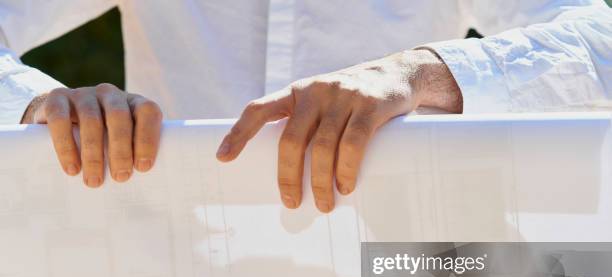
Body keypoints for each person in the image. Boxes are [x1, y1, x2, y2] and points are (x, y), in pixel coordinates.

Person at [1, 1, 611, 211]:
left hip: (407, 272)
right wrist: (40, 103)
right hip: (190, 268)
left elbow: (601, 44)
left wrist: (424, 73)